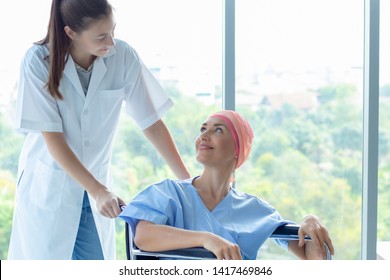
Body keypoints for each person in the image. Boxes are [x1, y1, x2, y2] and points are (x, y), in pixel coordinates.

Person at [8, 0, 190, 260]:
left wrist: (188, 183)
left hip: (95, 191)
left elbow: (152, 122)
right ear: (71, 32)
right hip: (50, 188)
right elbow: (54, 139)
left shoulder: (123, 56)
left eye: (113, 31)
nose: (111, 42)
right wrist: (98, 191)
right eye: (102, 36)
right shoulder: (39, 61)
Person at [120, 110, 335, 260]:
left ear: (237, 151)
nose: (204, 135)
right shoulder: (169, 193)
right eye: (203, 129)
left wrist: (310, 223)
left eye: (218, 130)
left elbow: (312, 258)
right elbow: (144, 236)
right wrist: (206, 239)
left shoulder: (256, 210)